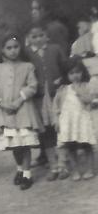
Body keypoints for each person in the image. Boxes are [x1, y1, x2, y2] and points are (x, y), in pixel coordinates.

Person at [0, 33, 42, 190]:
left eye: (16, 47)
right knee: (15, 144)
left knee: (24, 143)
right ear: (3, 50)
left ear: (20, 48)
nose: (13, 51)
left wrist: (19, 100)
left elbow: (33, 86)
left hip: (23, 109)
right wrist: (1, 103)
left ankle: (27, 174)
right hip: (6, 112)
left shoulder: (27, 66)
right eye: (9, 48)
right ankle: (19, 169)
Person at [26, 22, 68, 179]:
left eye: (41, 35)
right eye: (34, 36)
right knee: (46, 131)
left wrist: (61, 79)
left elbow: (66, 68)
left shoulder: (55, 49)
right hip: (39, 99)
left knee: (61, 128)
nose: (38, 39)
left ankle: (63, 163)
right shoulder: (26, 53)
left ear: (47, 36)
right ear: (28, 38)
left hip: (57, 95)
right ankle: (53, 165)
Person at [53, 57, 96, 181]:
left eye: (78, 72)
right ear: (66, 75)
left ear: (83, 72)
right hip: (68, 122)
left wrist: (79, 92)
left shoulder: (86, 86)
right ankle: (75, 170)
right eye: (71, 73)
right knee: (70, 147)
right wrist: (56, 120)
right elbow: (56, 106)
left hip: (82, 121)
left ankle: (90, 169)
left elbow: (89, 100)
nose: (75, 76)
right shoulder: (63, 89)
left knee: (87, 145)